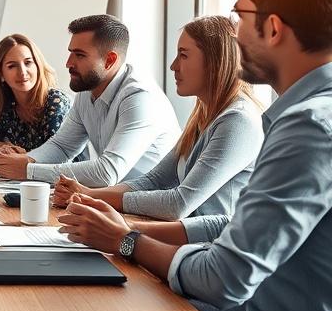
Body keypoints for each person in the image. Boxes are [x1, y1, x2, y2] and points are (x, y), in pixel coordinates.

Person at [59, 0, 332, 311]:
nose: (234, 33)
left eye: (240, 15)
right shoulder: (301, 116)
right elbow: (234, 223)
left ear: (274, 28)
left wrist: (126, 240)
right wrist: (129, 229)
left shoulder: (308, 128)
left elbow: (224, 279)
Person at [53, 16, 263, 238]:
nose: (173, 66)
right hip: (186, 243)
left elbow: (179, 204)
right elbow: (155, 180)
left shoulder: (238, 121)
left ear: (215, 62)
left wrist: (92, 197)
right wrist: (87, 194)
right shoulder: (203, 114)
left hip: (215, 250)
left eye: (183, 55)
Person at [0, 14, 179, 186]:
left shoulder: (140, 98)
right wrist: (26, 160)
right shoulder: (87, 89)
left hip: (154, 203)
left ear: (110, 60)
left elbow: (107, 172)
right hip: (119, 198)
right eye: (70, 52)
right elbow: (62, 146)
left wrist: (28, 170)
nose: (68, 63)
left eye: (80, 55)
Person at [0, 33, 71, 155]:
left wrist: (18, 156)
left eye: (28, 63)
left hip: (62, 168)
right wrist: (4, 148)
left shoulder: (56, 102)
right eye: (12, 66)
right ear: (1, 74)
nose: (22, 72)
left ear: (38, 66)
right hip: (25, 167)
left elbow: (51, 155)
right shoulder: (8, 104)